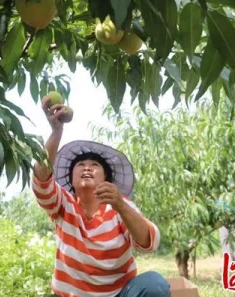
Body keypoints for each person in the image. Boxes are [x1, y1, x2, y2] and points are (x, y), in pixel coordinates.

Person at [31, 96, 171, 297]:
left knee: (154, 285)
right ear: (70, 179)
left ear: (107, 178)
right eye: (80, 165)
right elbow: (41, 180)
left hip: (118, 294)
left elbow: (149, 242)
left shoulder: (120, 207)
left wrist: (120, 206)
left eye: (95, 165)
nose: (87, 167)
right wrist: (56, 132)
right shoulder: (63, 205)